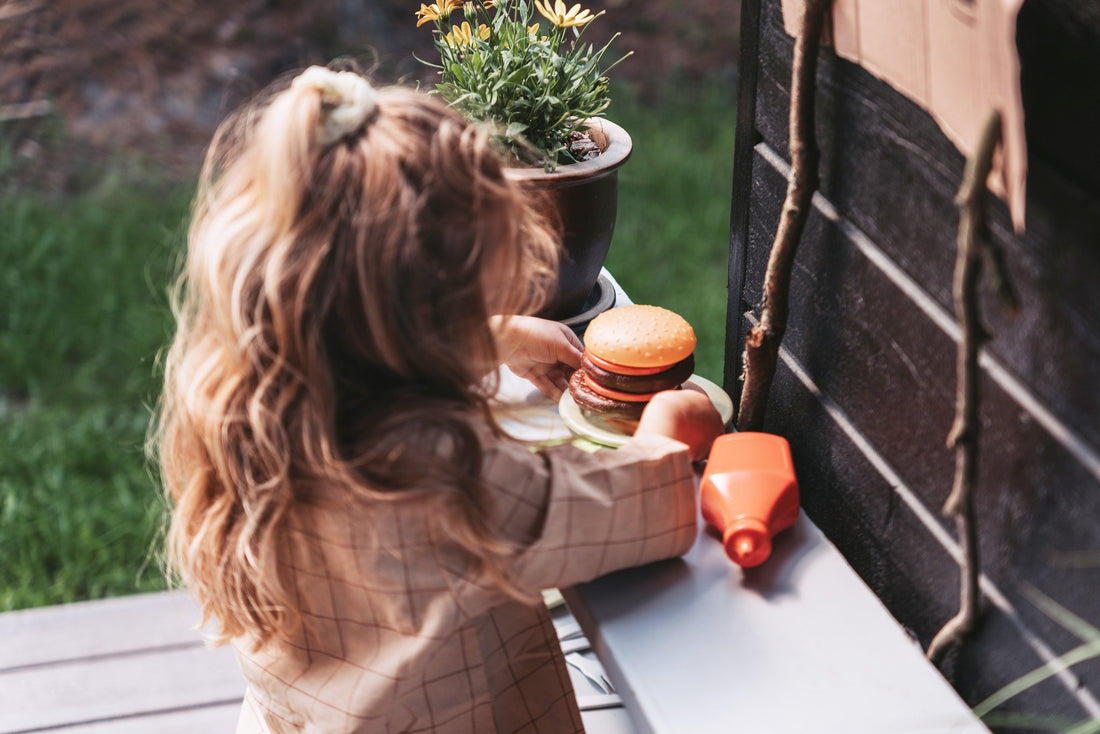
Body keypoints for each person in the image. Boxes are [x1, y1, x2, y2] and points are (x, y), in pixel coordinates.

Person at [151, 61, 724, 734]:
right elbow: (629, 516)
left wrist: (486, 340)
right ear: (422, 321)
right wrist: (667, 429)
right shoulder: (448, 474)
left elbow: (350, 343)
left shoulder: (245, 416)